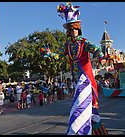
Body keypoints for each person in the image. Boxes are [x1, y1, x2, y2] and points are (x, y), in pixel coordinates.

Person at [40, 2, 108, 135]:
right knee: (90, 110)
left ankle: (78, 132)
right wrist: (48, 53)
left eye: (74, 29)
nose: (72, 32)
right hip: (76, 79)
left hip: (86, 77)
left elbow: (97, 49)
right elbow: (58, 56)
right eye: (70, 29)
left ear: (78, 29)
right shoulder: (67, 45)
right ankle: (98, 131)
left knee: (79, 105)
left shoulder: (84, 42)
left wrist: (101, 57)